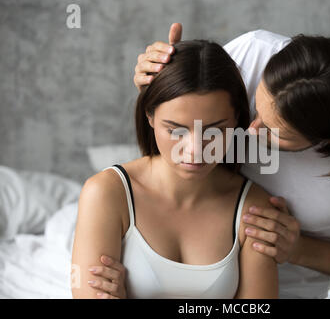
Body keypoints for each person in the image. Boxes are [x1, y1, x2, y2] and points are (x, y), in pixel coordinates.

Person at [90, 24, 330, 299]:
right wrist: (160, 82)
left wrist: (297, 249)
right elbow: (189, 103)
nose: (248, 132)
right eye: (255, 106)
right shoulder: (253, 54)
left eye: (275, 132)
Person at [71, 40, 279, 299]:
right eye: (175, 130)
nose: (194, 150)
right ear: (150, 116)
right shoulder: (106, 193)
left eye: (214, 130)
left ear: (237, 119)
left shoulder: (255, 208)